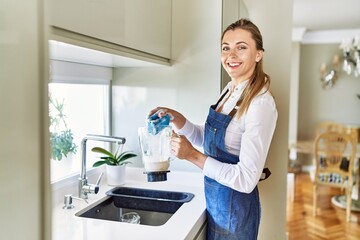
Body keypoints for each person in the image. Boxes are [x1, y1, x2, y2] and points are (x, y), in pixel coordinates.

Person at [148, 18, 278, 240]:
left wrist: (191, 155)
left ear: (258, 54)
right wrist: (179, 120)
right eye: (226, 48)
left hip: (235, 216)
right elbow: (211, 140)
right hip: (218, 206)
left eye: (241, 47)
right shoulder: (230, 89)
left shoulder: (260, 104)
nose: (231, 56)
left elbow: (246, 180)